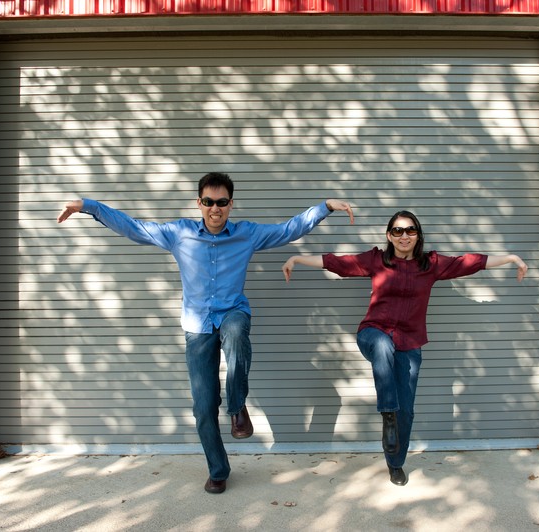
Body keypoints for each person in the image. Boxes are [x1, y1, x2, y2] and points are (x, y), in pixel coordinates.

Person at [57, 172, 354, 494]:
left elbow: (288, 229)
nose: (216, 208)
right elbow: (134, 227)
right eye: (209, 202)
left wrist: (324, 207)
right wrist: (88, 206)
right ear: (199, 203)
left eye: (222, 202)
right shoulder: (178, 233)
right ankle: (218, 470)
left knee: (237, 332)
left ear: (230, 204)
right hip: (196, 325)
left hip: (232, 311)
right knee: (202, 406)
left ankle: (237, 406)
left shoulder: (247, 234)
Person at [281, 210, 527, 486]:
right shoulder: (377, 260)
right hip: (373, 333)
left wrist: (510, 258)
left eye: (410, 230)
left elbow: (467, 262)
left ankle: (395, 462)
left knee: (406, 410)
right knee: (384, 348)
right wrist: (298, 258)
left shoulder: (430, 264)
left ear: (417, 235)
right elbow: (338, 262)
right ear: (389, 236)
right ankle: (387, 414)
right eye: (397, 231)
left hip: (410, 343)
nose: (404, 235)